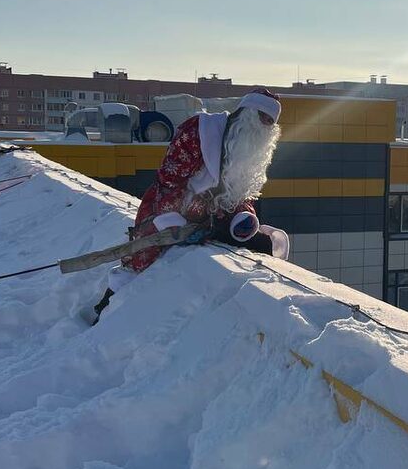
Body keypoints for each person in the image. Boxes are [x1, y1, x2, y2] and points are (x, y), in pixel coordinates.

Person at [90, 88, 291, 323]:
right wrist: (177, 219)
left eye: (270, 123)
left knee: (262, 245)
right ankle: (106, 314)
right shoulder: (200, 130)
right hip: (169, 209)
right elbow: (170, 178)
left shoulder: (249, 150)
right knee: (140, 261)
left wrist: (243, 216)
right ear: (246, 113)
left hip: (214, 217)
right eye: (262, 118)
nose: (264, 127)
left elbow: (241, 194)